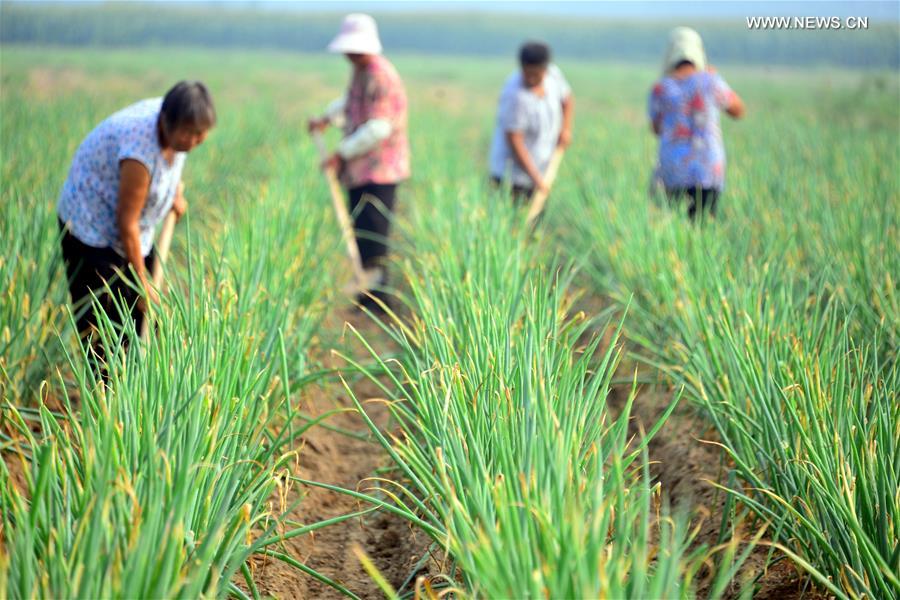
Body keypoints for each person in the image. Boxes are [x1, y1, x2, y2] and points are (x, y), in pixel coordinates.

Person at [57, 80, 215, 366]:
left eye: (200, 133)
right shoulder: (139, 151)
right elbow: (126, 221)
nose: (194, 140)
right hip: (92, 230)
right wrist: (141, 283)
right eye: (189, 134)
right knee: (105, 330)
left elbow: (171, 163)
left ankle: (137, 380)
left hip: (135, 231)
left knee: (143, 319)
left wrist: (174, 194)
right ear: (166, 121)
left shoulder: (177, 126)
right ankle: (106, 390)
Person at [308, 13, 410, 310]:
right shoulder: (361, 71)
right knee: (361, 230)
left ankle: (379, 300)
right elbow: (351, 101)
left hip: (381, 170)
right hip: (360, 170)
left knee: (374, 233)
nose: (349, 56)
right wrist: (327, 118)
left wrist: (341, 153)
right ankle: (367, 296)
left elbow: (378, 128)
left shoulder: (381, 75)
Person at [648, 27, 745, 221]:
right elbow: (738, 110)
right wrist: (714, 78)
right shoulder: (711, 81)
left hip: (673, 170)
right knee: (703, 224)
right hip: (708, 169)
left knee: (674, 225)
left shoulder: (660, 88)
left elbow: (657, 129)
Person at [489, 41, 574, 204]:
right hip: (512, 177)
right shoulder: (515, 96)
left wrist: (566, 128)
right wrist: (537, 179)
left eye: (536, 74)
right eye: (527, 73)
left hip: (543, 170)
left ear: (545, 69)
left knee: (537, 216)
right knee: (514, 216)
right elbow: (514, 141)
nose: (531, 78)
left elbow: (567, 99)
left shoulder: (554, 75)